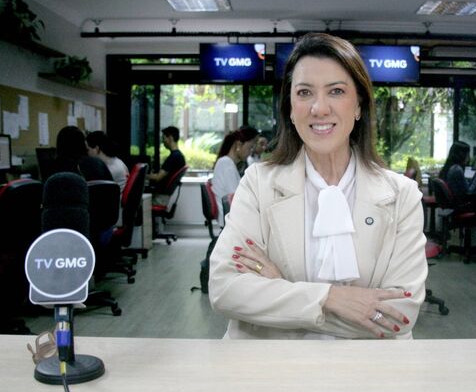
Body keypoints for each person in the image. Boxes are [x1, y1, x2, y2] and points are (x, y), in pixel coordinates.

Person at [208, 33, 427, 339]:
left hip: (368, 373)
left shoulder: (401, 196)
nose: (319, 108)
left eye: (336, 91)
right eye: (305, 92)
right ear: (290, 108)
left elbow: (397, 316)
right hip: (269, 371)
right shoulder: (258, 184)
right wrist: (331, 298)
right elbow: (225, 289)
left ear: (359, 106)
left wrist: (281, 290)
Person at [211, 126, 258, 226]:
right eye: (250, 147)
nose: (251, 152)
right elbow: (236, 198)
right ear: (238, 145)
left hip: (229, 215)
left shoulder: (226, 162)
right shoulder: (227, 165)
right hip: (230, 218)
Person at [146, 126, 186, 198]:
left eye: (164, 138)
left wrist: (142, 176)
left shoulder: (173, 157)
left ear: (170, 138)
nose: (163, 141)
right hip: (166, 195)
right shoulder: (179, 156)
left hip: (160, 196)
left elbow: (158, 177)